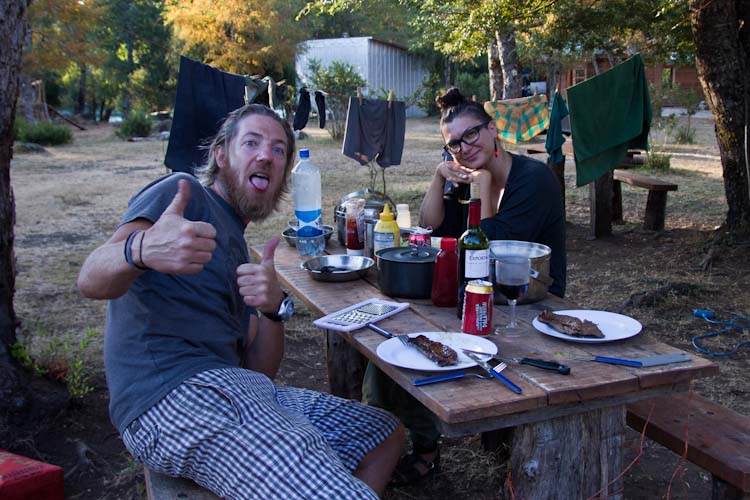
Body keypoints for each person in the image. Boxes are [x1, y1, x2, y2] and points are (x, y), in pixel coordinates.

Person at [77, 104, 404, 500]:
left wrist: (271, 309)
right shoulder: (184, 196)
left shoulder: (242, 253)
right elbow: (90, 279)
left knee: (382, 434)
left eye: (279, 149)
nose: (266, 155)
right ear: (221, 154)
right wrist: (141, 248)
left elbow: (259, 369)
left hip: (241, 389)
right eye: (251, 142)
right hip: (175, 397)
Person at [363, 88, 566, 486]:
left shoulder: (534, 180)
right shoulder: (462, 177)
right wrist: (440, 176)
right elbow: (429, 225)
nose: (463, 148)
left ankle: (429, 446)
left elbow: (488, 250)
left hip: (525, 304)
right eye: (453, 144)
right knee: (390, 347)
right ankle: (416, 444)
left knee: (414, 348)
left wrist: (485, 185)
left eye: (471, 135)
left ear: (492, 130)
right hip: (472, 295)